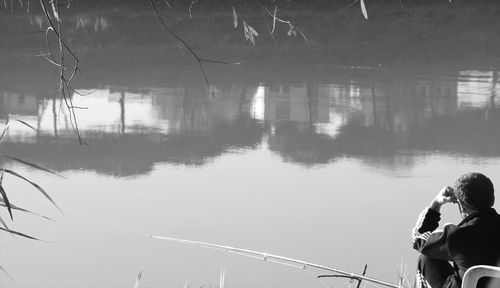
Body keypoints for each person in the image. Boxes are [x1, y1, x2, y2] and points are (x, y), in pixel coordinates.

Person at [412, 172, 500, 288]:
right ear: (492, 199)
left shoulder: (456, 236)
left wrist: (436, 203)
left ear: (462, 206)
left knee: (425, 258)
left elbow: (418, 237)